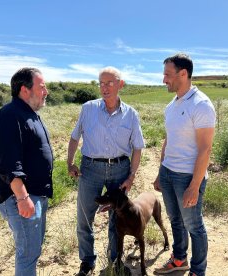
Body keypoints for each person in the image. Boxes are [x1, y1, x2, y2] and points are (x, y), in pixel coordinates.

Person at [67, 66, 145, 276]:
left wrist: (131, 175)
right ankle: (87, 261)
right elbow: (75, 137)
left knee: (117, 218)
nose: (104, 87)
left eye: (110, 83)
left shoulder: (131, 114)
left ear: (121, 84)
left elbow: (138, 147)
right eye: (101, 83)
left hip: (120, 169)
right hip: (90, 168)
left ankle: (115, 260)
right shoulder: (88, 108)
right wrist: (70, 162)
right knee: (85, 216)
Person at [153, 53, 216, 276]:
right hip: (169, 174)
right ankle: (180, 260)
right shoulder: (172, 105)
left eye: (167, 75)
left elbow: (205, 149)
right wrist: (161, 172)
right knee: (175, 221)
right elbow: (168, 140)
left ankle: (198, 271)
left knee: (194, 227)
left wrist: (194, 185)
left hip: (187, 177)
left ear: (183, 74)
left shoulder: (201, 105)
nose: (164, 80)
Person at [0, 67, 53, 276]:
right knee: (27, 254)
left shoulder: (30, 114)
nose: (46, 91)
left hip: (34, 195)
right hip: (22, 197)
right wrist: (22, 196)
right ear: (24, 89)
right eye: (42, 86)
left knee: (32, 251)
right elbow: (8, 162)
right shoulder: (10, 115)